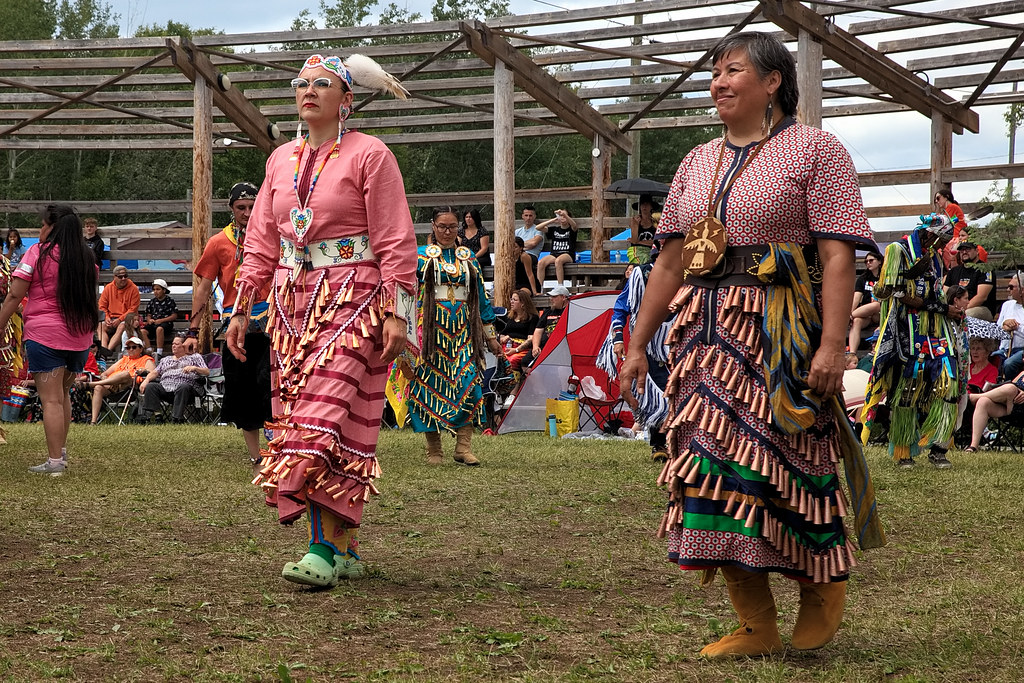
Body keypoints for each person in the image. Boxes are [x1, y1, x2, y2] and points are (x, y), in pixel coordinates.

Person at [618, 32, 883, 658]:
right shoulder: (696, 161)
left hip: (780, 333)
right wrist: (637, 344)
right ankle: (755, 619)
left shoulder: (815, 150)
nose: (719, 81)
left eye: (734, 69)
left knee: (789, 463)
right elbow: (670, 264)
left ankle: (822, 591)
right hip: (705, 337)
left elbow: (837, 255)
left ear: (772, 83)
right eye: (715, 72)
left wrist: (832, 345)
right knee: (710, 470)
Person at [228, 53, 417, 588]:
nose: (308, 90)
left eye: (322, 84)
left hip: (355, 302)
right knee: (307, 417)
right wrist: (243, 307)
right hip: (292, 305)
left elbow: (395, 237)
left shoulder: (370, 154)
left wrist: (397, 313)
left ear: (346, 98)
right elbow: (262, 240)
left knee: (325, 418)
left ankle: (320, 550)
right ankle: (346, 546)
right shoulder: (279, 159)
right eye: (301, 83)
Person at [862, 213, 966, 469]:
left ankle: (939, 447)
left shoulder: (935, 258)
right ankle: (903, 450)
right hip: (908, 329)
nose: (943, 247)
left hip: (936, 329)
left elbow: (936, 291)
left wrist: (947, 309)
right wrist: (909, 276)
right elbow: (892, 293)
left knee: (949, 381)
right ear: (930, 235)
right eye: (941, 240)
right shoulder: (898, 250)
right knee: (908, 387)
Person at [0, 205, 98, 474]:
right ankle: (61, 455)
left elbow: (14, 295)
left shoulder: (37, 254)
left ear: (53, 227)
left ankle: (55, 462)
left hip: (45, 336)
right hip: (79, 337)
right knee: (62, 395)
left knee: (50, 400)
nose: (40, 231)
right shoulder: (86, 258)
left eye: (43, 226)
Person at [407, 207, 502, 466]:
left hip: (462, 332)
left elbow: (481, 298)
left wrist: (490, 335)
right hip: (430, 332)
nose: (447, 232)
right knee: (427, 387)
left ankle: (463, 447)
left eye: (452, 227)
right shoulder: (420, 257)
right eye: (442, 227)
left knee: (469, 384)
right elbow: (404, 293)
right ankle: (434, 450)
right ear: (433, 227)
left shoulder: (468, 258)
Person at [191, 182, 272, 464]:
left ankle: (278, 449)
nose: (247, 213)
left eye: (252, 207)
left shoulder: (272, 236)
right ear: (231, 208)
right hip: (235, 323)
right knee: (244, 390)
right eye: (241, 207)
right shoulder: (219, 243)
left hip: (271, 320)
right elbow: (203, 287)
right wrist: (193, 329)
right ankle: (256, 457)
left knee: (271, 383)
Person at [600, 254, 672, 462]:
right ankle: (659, 443)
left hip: (683, 336)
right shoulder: (642, 274)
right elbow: (621, 309)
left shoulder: (691, 273)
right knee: (659, 390)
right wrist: (618, 339)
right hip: (652, 342)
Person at [137, 334, 208, 423]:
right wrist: (146, 380)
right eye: (172, 344)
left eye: (177, 344)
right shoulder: (166, 360)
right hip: (166, 390)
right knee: (151, 386)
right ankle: (157, 416)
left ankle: (176, 418)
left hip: (187, 391)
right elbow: (155, 372)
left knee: (183, 386)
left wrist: (195, 368)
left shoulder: (195, 357)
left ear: (184, 346)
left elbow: (207, 371)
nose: (173, 346)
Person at [85, 336, 154, 424]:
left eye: (134, 347)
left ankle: (91, 384)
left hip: (129, 389)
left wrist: (144, 371)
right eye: (128, 348)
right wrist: (105, 378)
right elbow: (104, 374)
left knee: (125, 374)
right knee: (98, 388)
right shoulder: (123, 360)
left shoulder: (146, 360)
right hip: (112, 388)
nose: (130, 350)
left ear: (141, 349)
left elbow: (152, 373)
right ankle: (93, 422)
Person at [964, 369, 1024, 452]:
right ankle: (973, 446)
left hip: (1021, 412)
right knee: (983, 401)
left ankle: (972, 398)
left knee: (1011, 389)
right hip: (1010, 408)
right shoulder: (1022, 374)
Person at [944, 241, 996, 321]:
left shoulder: (985, 270)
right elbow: (945, 294)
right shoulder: (954, 271)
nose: (964, 252)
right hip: (955, 308)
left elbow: (981, 297)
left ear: (977, 250)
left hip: (980, 308)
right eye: (961, 250)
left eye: (968, 249)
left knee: (967, 314)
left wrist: (961, 310)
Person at [98, 265, 140, 352]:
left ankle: (107, 351)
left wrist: (120, 319)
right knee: (100, 326)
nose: (123, 279)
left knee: (122, 326)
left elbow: (133, 309)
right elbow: (102, 306)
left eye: (125, 276)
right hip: (111, 318)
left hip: (126, 319)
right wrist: (107, 317)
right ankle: (103, 349)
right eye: (120, 277)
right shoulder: (108, 288)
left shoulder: (133, 288)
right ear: (114, 277)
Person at [847, 250, 883, 352]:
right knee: (857, 321)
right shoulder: (863, 279)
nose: (868, 263)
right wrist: (851, 310)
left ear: (879, 261)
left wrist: (850, 315)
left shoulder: (885, 277)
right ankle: (852, 353)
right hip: (866, 314)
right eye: (866, 261)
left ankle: (848, 318)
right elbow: (857, 296)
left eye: (871, 260)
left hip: (880, 314)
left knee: (876, 305)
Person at [498, 288, 540, 373]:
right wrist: (503, 338)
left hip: (521, 348)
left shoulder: (533, 318)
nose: (511, 302)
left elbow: (531, 338)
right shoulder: (509, 317)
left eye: (515, 300)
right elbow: (502, 333)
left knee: (511, 360)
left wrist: (516, 349)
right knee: (498, 359)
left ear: (523, 303)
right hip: (507, 346)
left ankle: (515, 385)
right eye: (511, 299)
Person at [528, 285, 570, 366]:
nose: (551, 299)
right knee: (525, 361)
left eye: (554, 297)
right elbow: (538, 330)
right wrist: (535, 346)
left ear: (563, 297)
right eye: (551, 296)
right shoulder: (548, 312)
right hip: (544, 346)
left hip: (560, 348)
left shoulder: (570, 311)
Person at [535, 208, 578, 287]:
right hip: (554, 254)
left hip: (567, 254)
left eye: (564, 216)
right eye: (560, 216)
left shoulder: (572, 229)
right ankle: (539, 287)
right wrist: (553, 220)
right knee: (541, 263)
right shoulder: (554, 229)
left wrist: (564, 214)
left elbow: (574, 225)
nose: (562, 218)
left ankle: (560, 286)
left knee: (558, 261)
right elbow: (538, 227)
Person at [996, 271, 1024, 381]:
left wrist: (1016, 327)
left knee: (1009, 364)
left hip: (1021, 349)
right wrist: (1005, 325)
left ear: (1022, 289)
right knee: (991, 357)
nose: (1008, 290)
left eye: (1011, 287)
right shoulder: (1007, 305)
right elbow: (998, 329)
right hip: (1005, 348)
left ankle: (1011, 388)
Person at [140, 278, 178, 355]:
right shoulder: (152, 302)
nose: (155, 292)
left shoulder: (170, 301)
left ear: (164, 290)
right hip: (154, 323)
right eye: (154, 289)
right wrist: (149, 320)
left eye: (158, 289)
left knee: (159, 329)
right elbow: (148, 315)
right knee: (142, 331)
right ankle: (149, 349)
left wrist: (161, 320)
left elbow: (174, 315)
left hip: (166, 324)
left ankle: (159, 352)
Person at [515, 205, 544, 289]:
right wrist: (525, 245)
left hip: (532, 256)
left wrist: (520, 246)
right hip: (517, 255)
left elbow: (534, 243)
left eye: (530, 215)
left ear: (534, 216)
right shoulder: (517, 231)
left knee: (522, 258)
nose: (528, 218)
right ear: (522, 216)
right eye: (526, 215)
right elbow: (513, 245)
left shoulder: (538, 230)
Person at [628, 194, 660, 264]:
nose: (644, 206)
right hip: (637, 250)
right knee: (644, 259)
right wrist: (636, 225)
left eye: (647, 204)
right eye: (642, 204)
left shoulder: (655, 222)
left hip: (652, 250)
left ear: (651, 206)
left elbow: (656, 241)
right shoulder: (635, 221)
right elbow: (634, 241)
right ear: (640, 206)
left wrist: (639, 242)